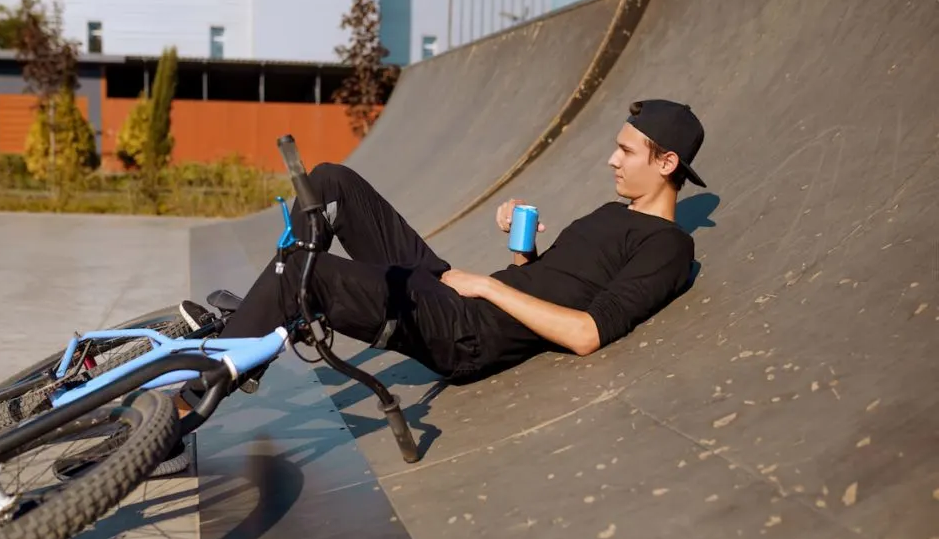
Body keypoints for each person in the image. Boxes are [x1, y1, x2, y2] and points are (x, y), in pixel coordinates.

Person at [174, 98, 706, 414]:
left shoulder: (667, 246)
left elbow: (588, 332)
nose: (612, 159)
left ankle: (182, 414)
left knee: (298, 276)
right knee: (331, 181)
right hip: (457, 293)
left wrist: (491, 287)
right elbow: (549, 284)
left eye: (627, 151)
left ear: (667, 163)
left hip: (467, 333)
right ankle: (256, 322)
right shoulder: (614, 213)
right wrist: (521, 249)